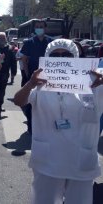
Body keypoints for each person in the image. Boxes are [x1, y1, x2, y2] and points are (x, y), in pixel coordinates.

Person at [13, 39, 103, 204]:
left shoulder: (93, 82)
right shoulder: (40, 83)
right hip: (49, 160)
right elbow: (19, 101)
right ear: (48, 57)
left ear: (75, 56)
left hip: (80, 159)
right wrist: (30, 83)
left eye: (67, 54)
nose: (61, 58)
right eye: (55, 55)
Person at [20, 19, 52, 134]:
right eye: (37, 26)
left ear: (45, 28)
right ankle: (30, 124)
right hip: (32, 77)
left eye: (41, 26)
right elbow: (24, 59)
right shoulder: (29, 42)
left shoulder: (51, 42)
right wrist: (27, 73)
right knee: (30, 102)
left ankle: (44, 125)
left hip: (48, 78)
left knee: (45, 102)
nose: (39, 28)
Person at [0, 32, 17, 119]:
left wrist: (13, 72)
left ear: (6, 38)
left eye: (3, 38)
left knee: (2, 91)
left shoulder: (10, 49)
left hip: (4, 73)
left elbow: (13, 61)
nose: (1, 40)